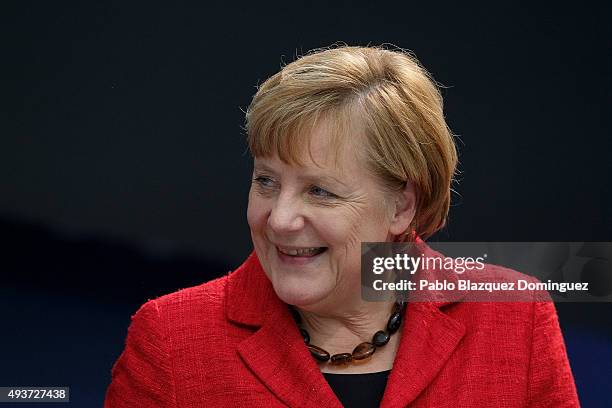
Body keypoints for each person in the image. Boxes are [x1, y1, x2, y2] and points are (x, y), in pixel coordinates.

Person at [104, 46, 580, 407]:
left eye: (320, 191)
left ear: (402, 206)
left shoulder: (515, 317)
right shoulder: (171, 339)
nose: (280, 219)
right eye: (266, 181)